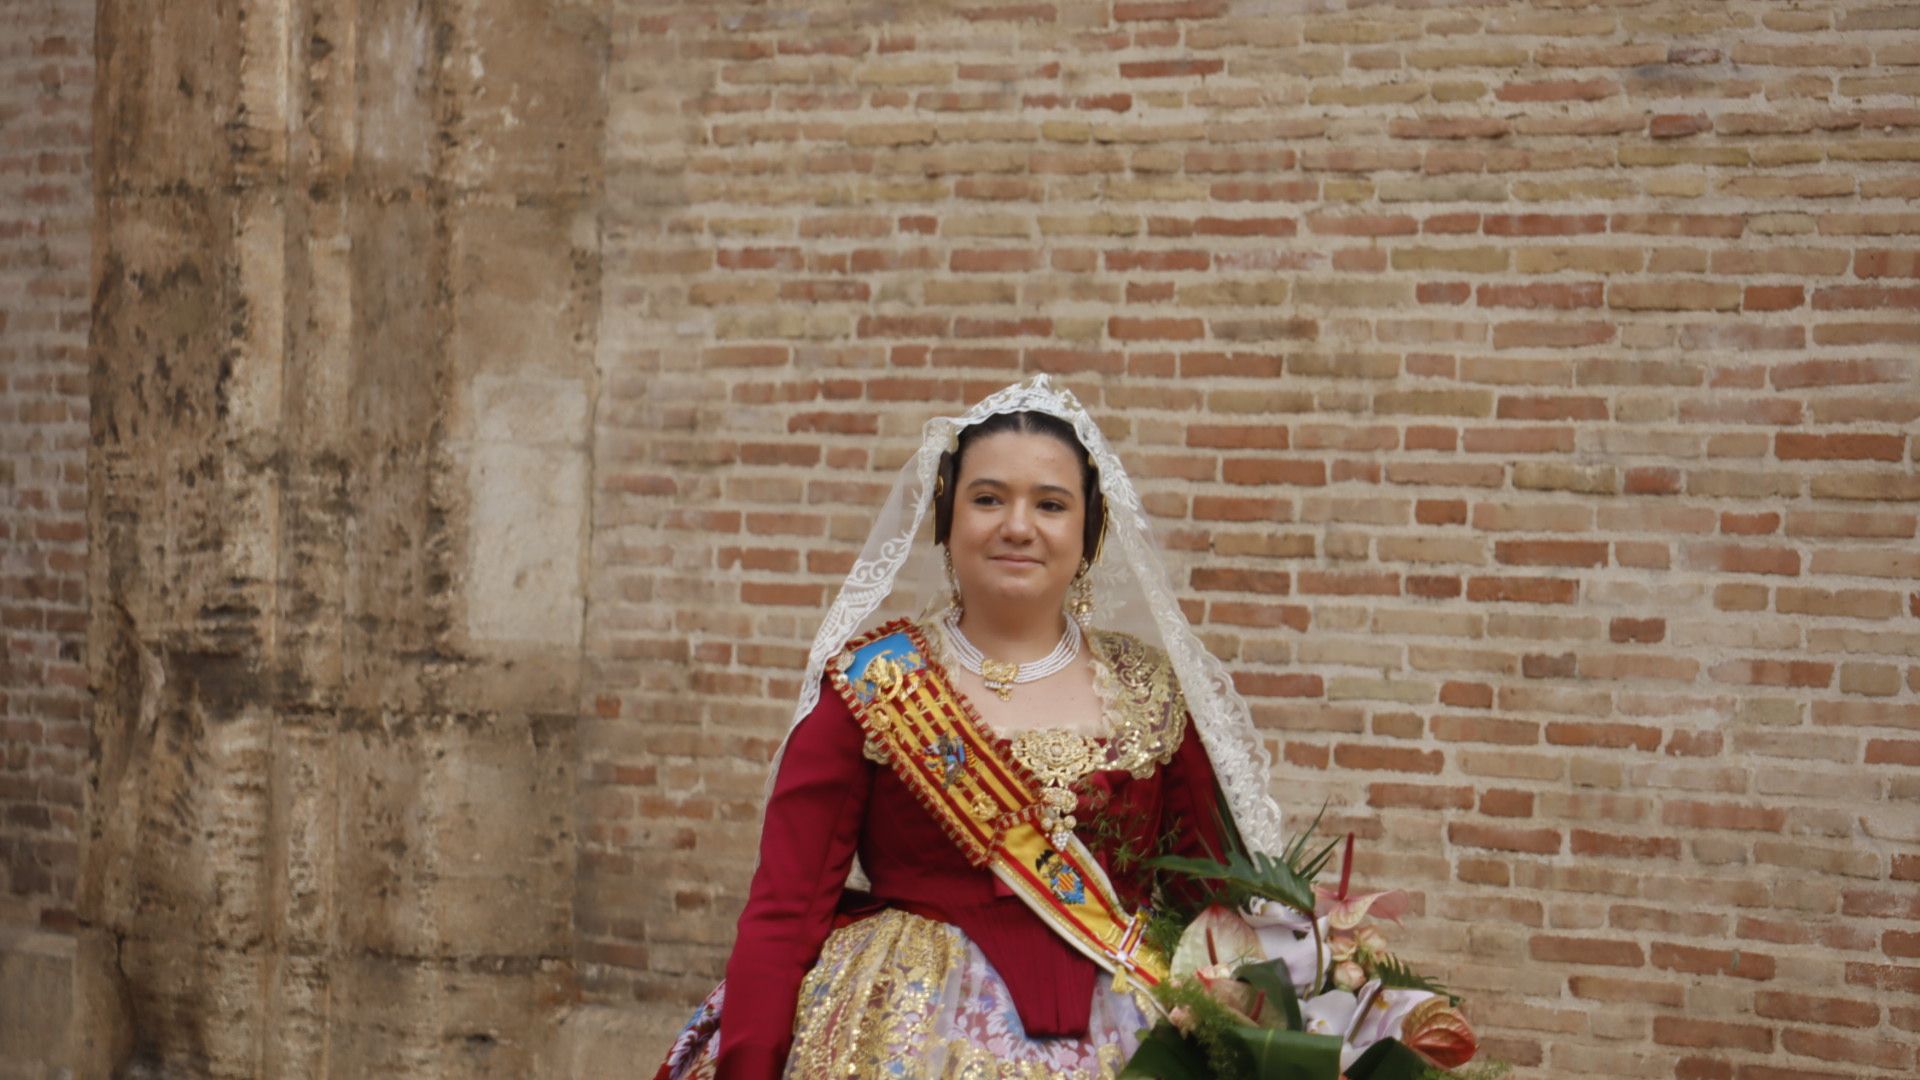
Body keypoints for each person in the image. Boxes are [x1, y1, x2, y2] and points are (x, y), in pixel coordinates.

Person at [657, 376, 1287, 1080]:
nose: (1017, 525)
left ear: (1090, 532)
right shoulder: (874, 686)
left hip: (1130, 1033)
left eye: (1050, 504)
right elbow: (783, 914)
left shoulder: (1153, 692)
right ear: (945, 519)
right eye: (988, 499)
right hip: (904, 1032)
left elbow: (1216, 912)